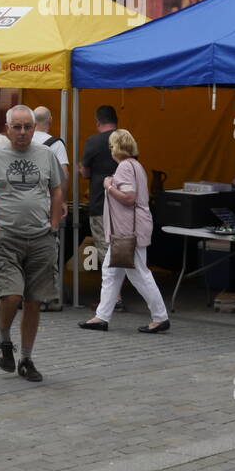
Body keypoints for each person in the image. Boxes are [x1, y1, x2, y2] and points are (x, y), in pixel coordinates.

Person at [0, 105, 65, 383]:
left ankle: (26, 358)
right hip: (7, 239)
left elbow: (57, 190)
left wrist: (53, 225)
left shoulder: (47, 156)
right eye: (17, 127)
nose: (23, 132)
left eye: (28, 127)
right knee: (11, 296)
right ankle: (4, 340)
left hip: (40, 239)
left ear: (34, 128)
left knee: (34, 301)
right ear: (7, 128)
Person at [78, 129, 170, 333]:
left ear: (117, 148)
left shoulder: (125, 168)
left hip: (128, 231)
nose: (110, 149)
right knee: (111, 272)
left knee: (139, 274)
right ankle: (101, 317)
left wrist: (108, 187)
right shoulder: (135, 165)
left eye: (112, 146)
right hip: (128, 229)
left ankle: (160, 317)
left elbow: (129, 198)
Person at [81, 104, 118, 266]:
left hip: (100, 202)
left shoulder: (93, 141)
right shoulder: (126, 139)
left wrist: (79, 168)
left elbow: (86, 173)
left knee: (105, 247)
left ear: (97, 122)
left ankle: (114, 291)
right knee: (123, 247)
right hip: (125, 203)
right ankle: (118, 287)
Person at [33, 105, 69, 182]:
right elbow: (64, 175)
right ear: (50, 120)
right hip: (46, 191)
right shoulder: (57, 143)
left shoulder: (23, 141)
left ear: (33, 120)